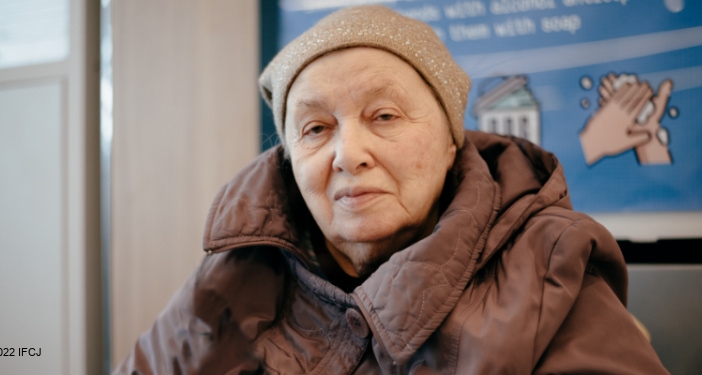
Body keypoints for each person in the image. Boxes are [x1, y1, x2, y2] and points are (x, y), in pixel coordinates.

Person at [114, 5, 668, 374]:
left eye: (384, 115)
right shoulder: (234, 273)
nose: (348, 154)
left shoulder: (548, 264)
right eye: (315, 129)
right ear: (290, 161)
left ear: (452, 144)